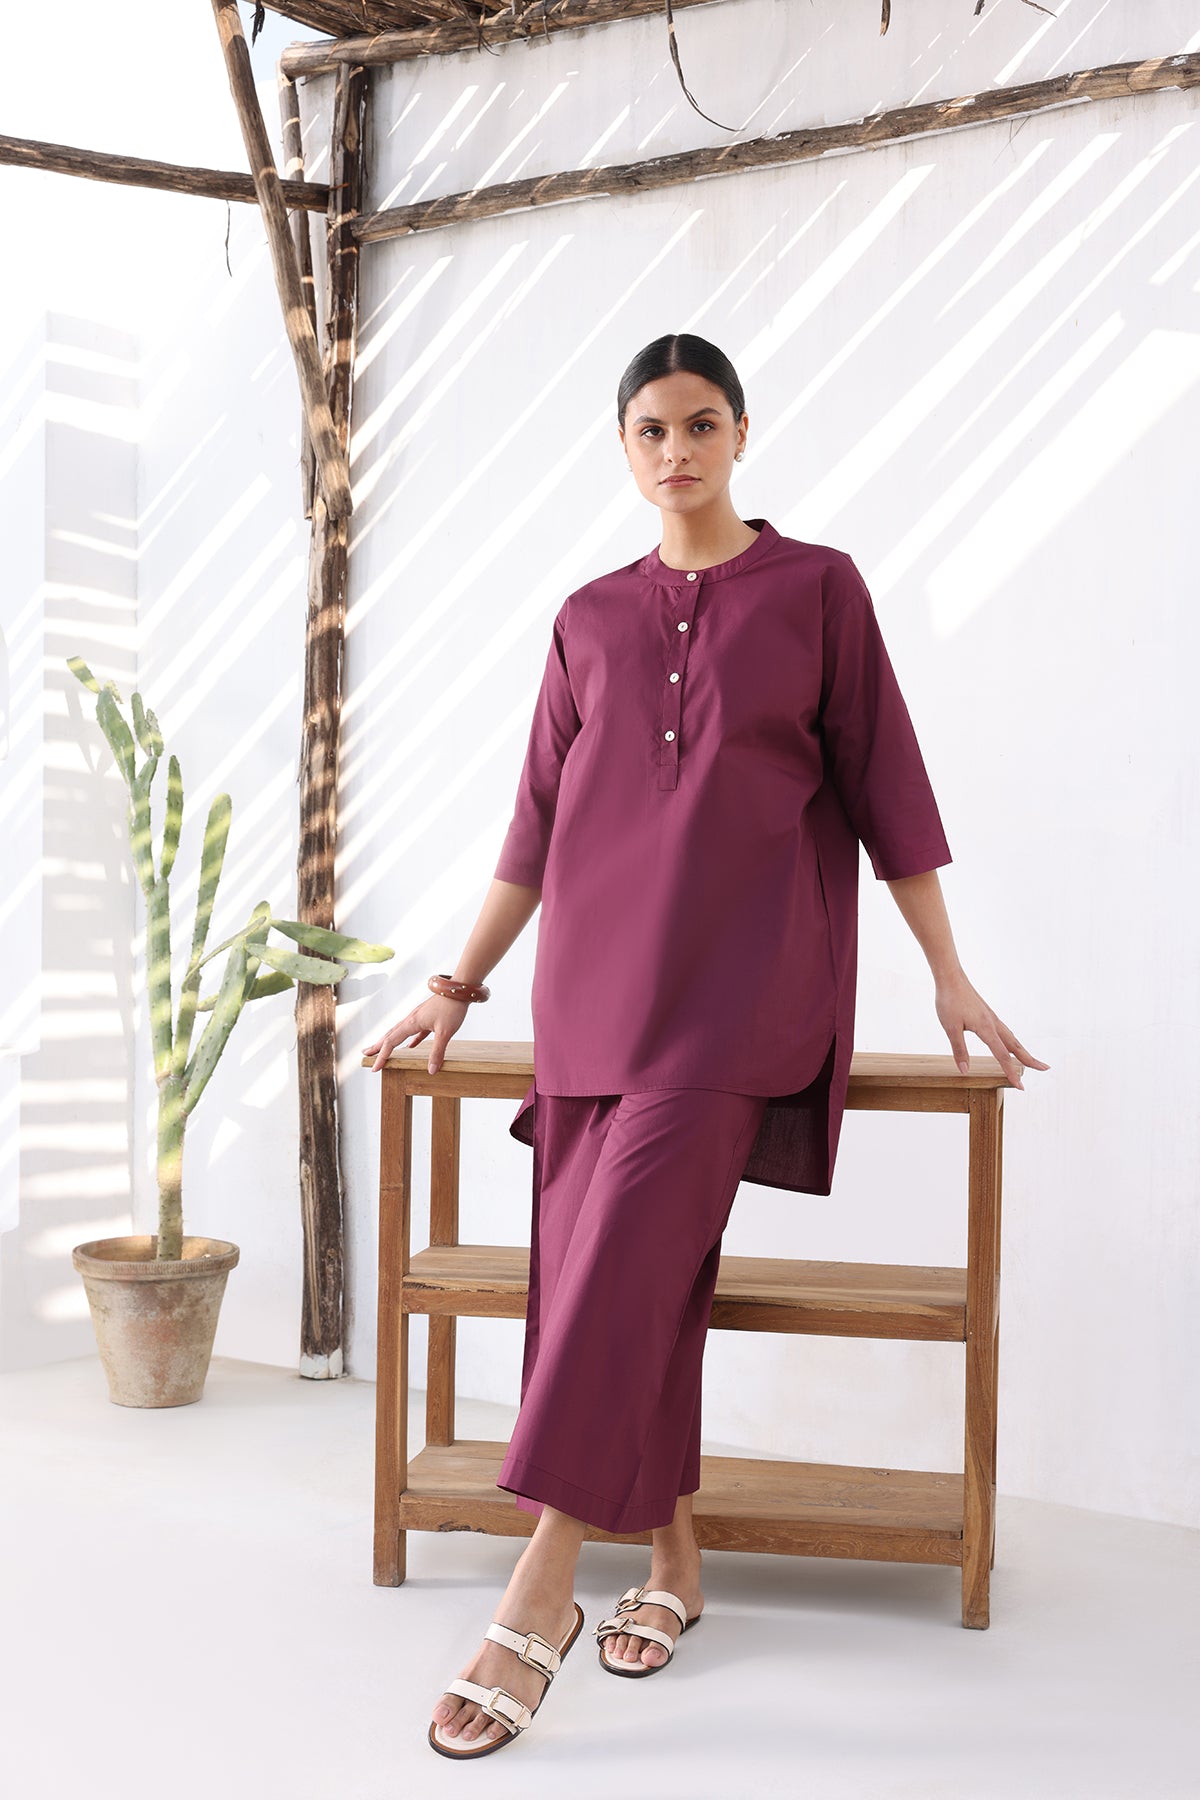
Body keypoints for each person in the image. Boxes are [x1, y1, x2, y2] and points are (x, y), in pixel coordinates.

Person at [365, 333, 1049, 1761]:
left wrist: (948, 974)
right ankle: (673, 1566)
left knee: (619, 1262)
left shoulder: (818, 590)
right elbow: (535, 822)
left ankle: (537, 1592)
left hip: (744, 998)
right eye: (650, 429)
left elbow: (890, 791)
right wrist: (457, 985)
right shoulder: (586, 618)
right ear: (623, 449)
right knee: (617, 1281)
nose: (675, 449)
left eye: (700, 423)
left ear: (740, 432)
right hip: (590, 1002)